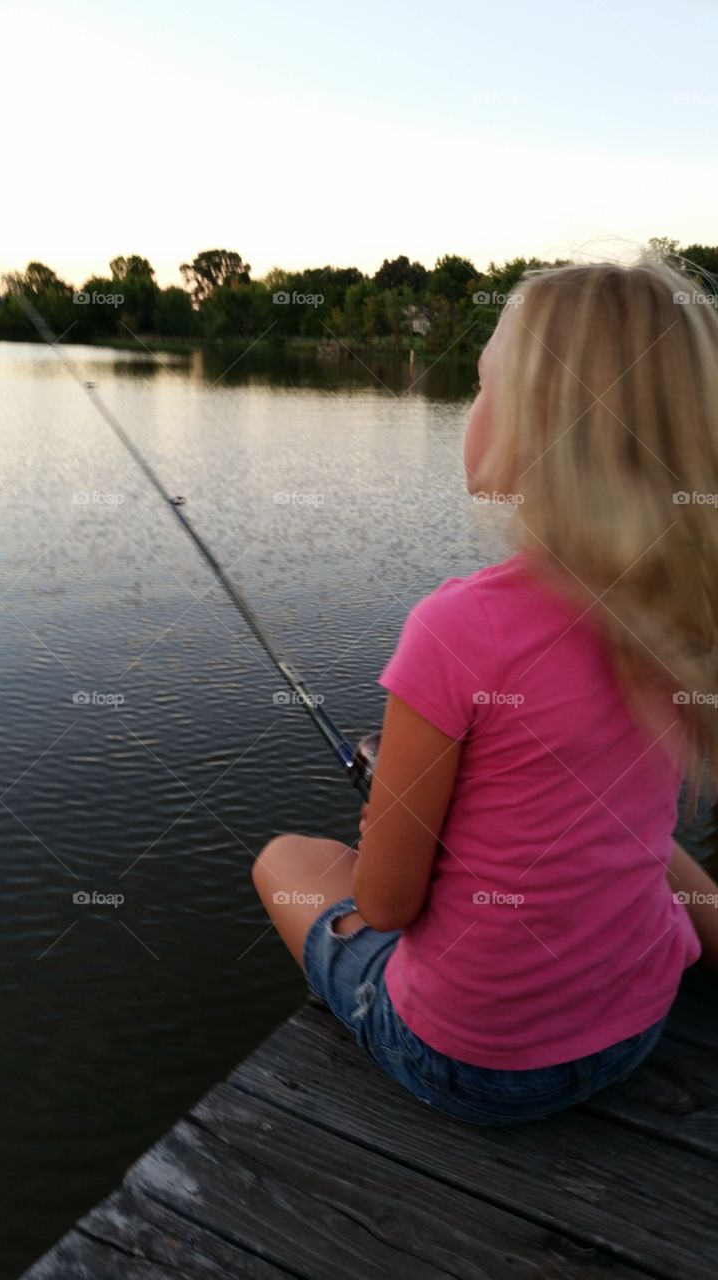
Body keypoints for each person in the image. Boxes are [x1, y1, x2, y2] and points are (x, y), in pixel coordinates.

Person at [252, 254, 718, 1124]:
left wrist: (387, 806)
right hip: (635, 1027)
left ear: (540, 425)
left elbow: (389, 904)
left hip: (475, 1069)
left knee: (284, 860)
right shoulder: (685, 611)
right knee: (629, 825)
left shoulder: (458, 627)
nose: (467, 411)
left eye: (479, 386)